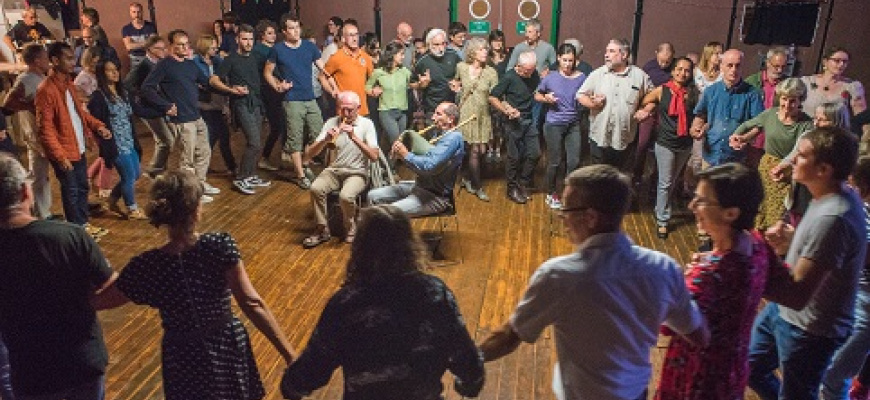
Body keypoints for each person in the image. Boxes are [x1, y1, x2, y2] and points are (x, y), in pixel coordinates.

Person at [479, 164, 709, 400]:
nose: (562, 217)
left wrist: (468, 358)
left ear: (590, 217)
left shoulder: (558, 276)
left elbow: (509, 337)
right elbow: (698, 334)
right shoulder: (664, 268)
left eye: (566, 209)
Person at [90, 169, 295, 399]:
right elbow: (252, 303)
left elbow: (102, 300)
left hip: (182, 353)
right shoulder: (219, 246)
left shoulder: (147, 265)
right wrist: (290, 356)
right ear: (197, 209)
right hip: (225, 344)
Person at [282, 204, 484, 399]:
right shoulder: (435, 294)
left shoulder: (344, 304)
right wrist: (468, 385)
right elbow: (467, 361)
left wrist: (291, 387)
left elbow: (312, 368)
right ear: (409, 244)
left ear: (361, 247)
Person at [750, 127, 865, 400]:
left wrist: (747, 273)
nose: (793, 160)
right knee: (751, 367)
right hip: (783, 313)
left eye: (801, 156)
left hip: (810, 328)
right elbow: (823, 259)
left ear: (823, 169)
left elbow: (798, 294)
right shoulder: (826, 195)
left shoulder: (833, 217)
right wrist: (791, 242)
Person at [0, 153, 114, 400]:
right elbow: (111, 287)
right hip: (81, 361)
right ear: (25, 193)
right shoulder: (70, 236)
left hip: (29, 368)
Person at [655, 163, 773, 400]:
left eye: (701, 201)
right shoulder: (758, 246)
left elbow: (669, 325)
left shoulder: (708, 274)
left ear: (731, 213)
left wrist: (677, 283)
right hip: (733, 368)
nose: (692, 206)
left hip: (697, 376)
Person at [35, 42, 112, 238]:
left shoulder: (68, 84)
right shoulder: (46, 90)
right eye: (68, 58)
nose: (73, 61)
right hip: (64, 150)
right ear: (54, 60)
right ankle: (77, 230)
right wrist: (60, 156)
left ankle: (84, 225)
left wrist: (97, 125)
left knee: (82, 186)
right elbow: (45, 129)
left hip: (77, 146)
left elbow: (78, 114)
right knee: (72, 191)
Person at [141, 29, 220, 202]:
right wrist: (165, 105)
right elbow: (147, 88)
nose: (185, 48)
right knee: (187, 159)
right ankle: (188, 194)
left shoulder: (190, 64)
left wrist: (227, 88)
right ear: (171, 46)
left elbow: (206, 83)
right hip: (181, 119)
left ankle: (199, 186)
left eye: (186, 44)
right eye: (180, 45)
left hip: (196, 116)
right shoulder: (164, 65)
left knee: (204, 152)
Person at [729, 78, 813, 230]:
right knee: (758, 208)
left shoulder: (806, 123)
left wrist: (784, 166)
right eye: (784, 99)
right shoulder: (770, 114)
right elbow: (749, 125)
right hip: (767, 167)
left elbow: (797, 150)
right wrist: (738, 136)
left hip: (788, 171)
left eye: (792, 101)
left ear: (800, 100)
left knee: (777, 216)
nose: (787, 105)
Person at [820, 156, 870, 400]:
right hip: (853, 298)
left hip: (866, 306)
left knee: (833, 373)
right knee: (834, 373)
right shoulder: (858, 210)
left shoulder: (859, 213)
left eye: (850, 184)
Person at [302, 91, 380, 248]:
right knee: (316, 188)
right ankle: (322, 228)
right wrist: (325, 140)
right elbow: (309, 154)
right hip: (334, 170)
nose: (345, 113)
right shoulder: (331, 122)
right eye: (341, 109)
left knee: (345, 196)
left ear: (358, 108)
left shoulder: (367, 124)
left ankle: (351, 227)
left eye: (350, 110)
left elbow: (374, 156)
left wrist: (354, 138)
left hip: (357, 172)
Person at [636, 57, 699, 239]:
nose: (682, 73)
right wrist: (649, 108)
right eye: (679, 69)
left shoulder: (693, 94)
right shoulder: (662, 91)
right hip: (665, 142)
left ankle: (660, 208)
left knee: (671, 181)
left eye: (686, 70)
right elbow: (645, 100)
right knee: (665, 181)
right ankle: (663, 219)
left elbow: (699, 114)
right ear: (673, 71)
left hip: (684, 144)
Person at [368, 102, 464, 217]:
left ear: (450, 119)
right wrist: (402, 153)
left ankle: (392, 233)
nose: (433, 117)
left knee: (390, 213)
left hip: (435, 196)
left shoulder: (453, 138)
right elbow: (423, 161)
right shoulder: (438, 134)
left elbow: (429, 166)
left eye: (438, 114)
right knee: (373, 196)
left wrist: (406, 155)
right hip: (420, 186)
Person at [264, 14, 326, 190]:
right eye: (291, 28)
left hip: (310, 97)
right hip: (292, 100)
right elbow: (267, 72)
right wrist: (277, 85)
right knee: (295, 138)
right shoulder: (278, 50)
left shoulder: (309, 46)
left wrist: (332, 83)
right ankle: (300, 175)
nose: (296, 30)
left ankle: (304, 163)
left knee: (320, 135)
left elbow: (323, 68)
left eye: (297, 26)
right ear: (284, 31)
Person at [209, 24, 272, 195]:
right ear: (237, 39)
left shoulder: (256, 57)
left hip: (257, 103)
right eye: (244, 39)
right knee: (254, 142)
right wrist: (231, 90)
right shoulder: (230, 59)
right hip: (241, 104)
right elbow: (214, 80)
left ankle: (250, 174)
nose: (248, 42)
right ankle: (240, 178)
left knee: (257, 142)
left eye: (251, 39)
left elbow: (267, 71)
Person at [577, 39, 653, 170]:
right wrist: (593, 104)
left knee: (616, 176)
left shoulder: (640, 76)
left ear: (624, 55)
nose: (606, 55)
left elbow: (653, 97)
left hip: (623, 137)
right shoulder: (598, 74)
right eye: (606, 51)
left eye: (611, 51)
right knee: (597, 176)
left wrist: (646, 110)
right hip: (599, 135)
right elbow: (580, 95)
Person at [88, 59, 145, 220]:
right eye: (109, 70)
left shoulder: (123, 93)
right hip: (115, 144)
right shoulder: (98, 97)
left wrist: (163, 109)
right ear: (102, 74)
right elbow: (95, 122)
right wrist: (101, 140)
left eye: (116, 69)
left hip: (129, 141)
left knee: (135, 174)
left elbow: (137, 110)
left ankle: (112, 200)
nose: (115, 73)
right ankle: (132, 209)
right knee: (128, 176)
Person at [690, 49, 763, 167]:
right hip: (711, 155)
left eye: (737, 66)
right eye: (730, 65)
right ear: (721, 66)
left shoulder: (752, 94)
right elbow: (700, 115)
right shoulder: (710, 91)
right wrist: (695, 128)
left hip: (735, 159)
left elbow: (759, 125)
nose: (734, 70)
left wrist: (744, 138)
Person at [3, 43, 51, 219]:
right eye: (45, 58)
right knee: (38, 173)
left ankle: (44, 210)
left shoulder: (39, 77)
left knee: (41, 174)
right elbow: (8, 104)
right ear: (37, 60)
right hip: (34, 133)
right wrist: (32, 106)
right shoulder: (26, 79)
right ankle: (40, 212)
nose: (48, 61)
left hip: (41, 131)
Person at [535, 43, 586, 209]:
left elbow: (586, 94)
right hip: (554, 124)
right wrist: (546, 98)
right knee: (555, 161)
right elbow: (537, 95)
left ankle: (569, 193)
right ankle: (551, 193)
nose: (567, 64)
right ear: (558, 58)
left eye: (571, 60)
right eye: (564, 60)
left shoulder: (581, 77)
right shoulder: (550, 77)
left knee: (574, 161)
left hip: (573, 123)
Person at [489, 51, 541, 204]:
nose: (531, 74)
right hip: (513, 121)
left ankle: (523, 183)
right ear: (519, 66)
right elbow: (493, 97)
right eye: (527, 71)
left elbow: (536, 90)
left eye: (532, 70)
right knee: (514, 158)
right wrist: (506, 109)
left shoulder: (534, 74)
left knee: (535, 153)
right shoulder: (509, 77)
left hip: (528, 119)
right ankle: (512, 188)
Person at [454, 37, 498, 202]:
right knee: (473, 150)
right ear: (472, 52)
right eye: (481, 49)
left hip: (483, 115)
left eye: (486, 49)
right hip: (466, 114)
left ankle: (465, 177)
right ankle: (478, 186)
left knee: (481, 151)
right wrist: (455, 87)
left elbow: (495, 95)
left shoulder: (491, 72)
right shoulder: (461, 67)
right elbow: (456, 84)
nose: (485, 52)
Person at [124, 35, 173, 178]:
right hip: (148, 108)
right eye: (159, 48)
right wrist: (141, 95)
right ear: (150, 49)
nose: (163, 51)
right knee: (166, 140)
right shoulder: (143, 66)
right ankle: (155, 169)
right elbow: (127, 85)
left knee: (164, 139)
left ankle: (158, 168)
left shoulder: (159, 63)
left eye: (164, 48)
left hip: (158, 106)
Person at [193, 34, 236, 176]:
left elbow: (223, 80)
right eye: (212, 47)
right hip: (204, 105)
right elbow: (205, 83)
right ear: (205, 48)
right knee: (212, 137)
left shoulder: (217, 61)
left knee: (221, 136)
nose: (216, 49)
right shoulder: (195, 62)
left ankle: (227, 167)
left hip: (218, 102)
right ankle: (202, 169)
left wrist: (226, 103)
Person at [743, 47, 791, 168]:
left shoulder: (788, 84)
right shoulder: (751, 82)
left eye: (784, 67)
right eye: (776, 66)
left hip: (773, 141)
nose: (780, 70)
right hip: (751, 139)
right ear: (767, 63)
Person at [801, 46, 866, 127]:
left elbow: (861, 115)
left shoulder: (852, 86)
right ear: (825, 62)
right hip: (807, 130)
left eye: (845, 62)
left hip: (835, 134)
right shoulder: (807, 82)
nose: (841, 64)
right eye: (837, 61)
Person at [322, 20, 373, 116]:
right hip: (345, 112)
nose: (355, 39)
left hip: (363, 110)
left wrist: (374, 90)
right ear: (343, 39)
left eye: (356, 35)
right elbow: (322, 77)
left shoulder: (365, 57)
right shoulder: (336, 57)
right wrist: (332, 90)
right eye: (351, 35)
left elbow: (373, 78)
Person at [410, 28, 461, 121]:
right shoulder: (422, 61)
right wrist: (421, 84)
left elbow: (464, 74)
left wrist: (458, 83)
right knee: (434, 135)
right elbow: (412, 83)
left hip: (452, 107)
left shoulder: (453, 56)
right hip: (432, 109)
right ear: (429, 44)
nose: (441, 48)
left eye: (443, 43)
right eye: (436, 44)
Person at [366, 42, 411, 144]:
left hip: (402, 111)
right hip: (386, 111)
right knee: (395, 139)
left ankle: (392, 159)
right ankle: (390, 159)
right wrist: (373, 91)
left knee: (401, 141)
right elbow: (367, 87)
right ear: (393, 54)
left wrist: (422, 82)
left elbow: (414, 82)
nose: (403, 57)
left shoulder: (404, 71)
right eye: (401, 54)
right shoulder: (379, 72)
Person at [121, 2, 157, 69]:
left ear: (142, 12)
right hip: (135, 59)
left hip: (149, 58)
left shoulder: (150, 26)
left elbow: (153, 43)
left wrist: (135, 44)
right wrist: (146, 43)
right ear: (130, 13)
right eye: (134, 12)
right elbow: (129, 46)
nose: (136, 14)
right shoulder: (126, 29)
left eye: (138, 12)